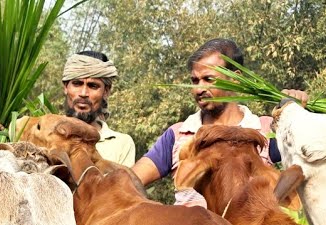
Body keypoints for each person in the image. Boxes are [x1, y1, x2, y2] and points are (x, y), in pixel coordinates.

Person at [131, 38, 306, 207]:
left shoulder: (265, 130)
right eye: (194, 81)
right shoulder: (178, 134)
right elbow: (130, 181)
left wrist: (298, 115)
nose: (198, 89)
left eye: (208, 79)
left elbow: (310, 158)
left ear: (235, 78)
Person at [61, 51, 136, 166]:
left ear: (106, 91)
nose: (83, 93)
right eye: (77, 83)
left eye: (93, 86)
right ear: (66, 87)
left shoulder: (121, 144)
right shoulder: (44, 132)